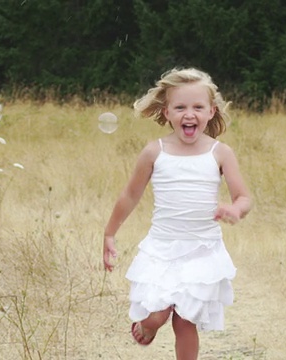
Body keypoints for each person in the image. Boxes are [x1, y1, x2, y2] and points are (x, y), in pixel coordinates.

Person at [102, 68, 252, 360]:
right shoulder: (154, 152)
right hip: (162, 248)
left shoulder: (220, 153)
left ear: (211, 111)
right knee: (157, 315)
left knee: (185, 321)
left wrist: (235, 209)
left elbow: (243, 197)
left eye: (198, 107)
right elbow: (130, 195)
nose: (189, 114)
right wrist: (110, 232)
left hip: (202, 250)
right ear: (167, 111)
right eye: (180, 107)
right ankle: (148, 325)